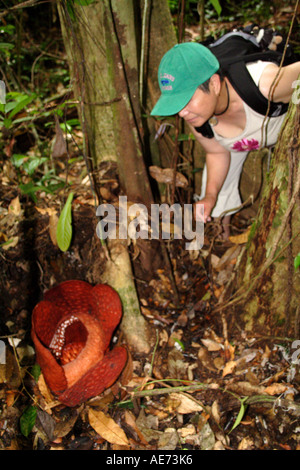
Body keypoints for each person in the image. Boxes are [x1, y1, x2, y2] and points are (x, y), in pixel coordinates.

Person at [151, 42, 300, 238]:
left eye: (186, 100)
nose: (182, 112)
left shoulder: (266, 85)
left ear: (213, 84)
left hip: (285, 134)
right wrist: (210, 197)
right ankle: (221, 236)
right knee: (213, 206)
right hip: (240, 144)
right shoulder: (197, 118)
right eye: (177, 104)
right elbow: (217, 152)